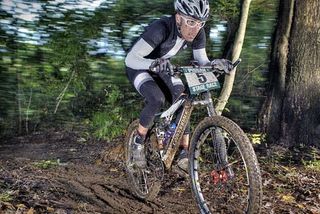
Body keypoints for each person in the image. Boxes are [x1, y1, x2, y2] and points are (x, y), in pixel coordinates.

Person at [125, 0, 233, 171]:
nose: (195, 28)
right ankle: (138, 143)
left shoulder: (198, 32)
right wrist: (152, 64)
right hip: (139, 67)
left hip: (164, 67)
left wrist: (216, 64)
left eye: (200, 23)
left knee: (183, 98)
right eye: (191, 22)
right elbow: (130, 59)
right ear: (178, 18)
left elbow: (202, 61)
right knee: (157, 99)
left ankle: (184, 153)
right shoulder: (161, 28)